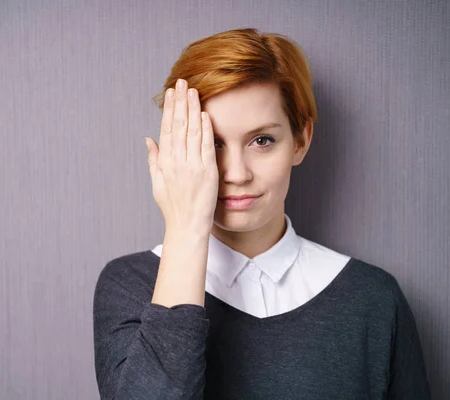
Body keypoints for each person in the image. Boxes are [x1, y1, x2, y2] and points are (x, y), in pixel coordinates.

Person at [92, 28, 431, 399]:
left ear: (301, 141)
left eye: (262, 141)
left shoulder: (374, 299)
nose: (237, 173)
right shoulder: (129, 284)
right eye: (213, 143)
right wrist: (186, 227)